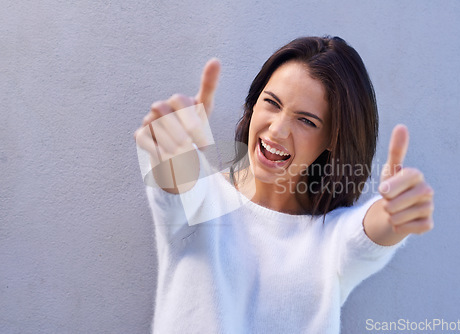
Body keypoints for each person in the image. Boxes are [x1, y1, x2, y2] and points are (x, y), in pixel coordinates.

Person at [134, 36, 434, 333]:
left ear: (333, 139)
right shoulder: (201, 200)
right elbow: (176, 181)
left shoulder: (331, 238)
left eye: (306, 121)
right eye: (271, 103)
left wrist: (395, 211)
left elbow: (368, 232)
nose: (277, 130)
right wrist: (169, 144)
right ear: (253, 103)